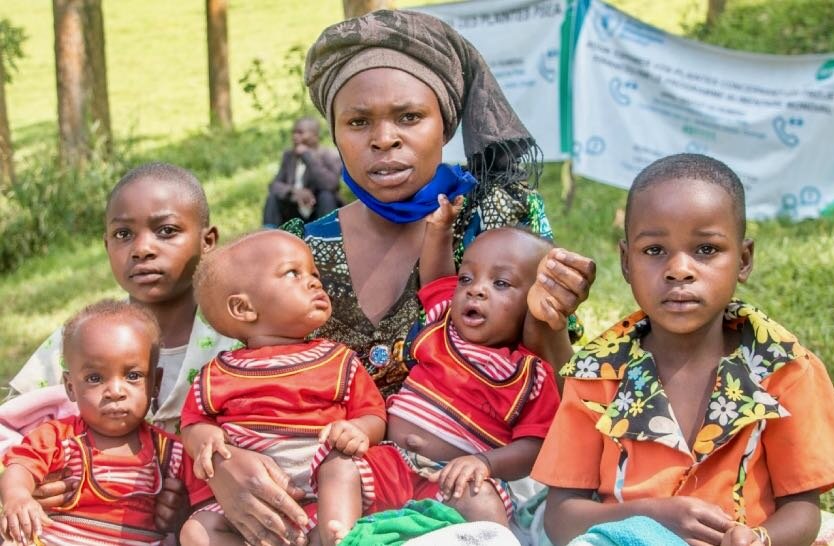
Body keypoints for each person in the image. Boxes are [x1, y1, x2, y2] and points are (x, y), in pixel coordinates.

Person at [182, 10, 596, 545]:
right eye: (358, 122)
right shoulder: (300, 251)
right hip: (333, 487)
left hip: (470, 479)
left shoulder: (495, 226)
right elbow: (235, 382)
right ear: (333, 132)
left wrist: (553, 315)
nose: (384, 140)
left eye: (408, 117)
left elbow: (552, 388)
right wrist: (223, 465)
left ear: (444, 124)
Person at [532, 154, 834, 546]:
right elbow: (561, 516)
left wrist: (760, 539)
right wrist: (650, 516)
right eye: (654, 250)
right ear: (625, 261)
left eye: (706, 249)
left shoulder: (785, 370)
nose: (680, 269)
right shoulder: (596, 375)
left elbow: (803, 510)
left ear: (744, 259)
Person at [1, 162, 236, 534]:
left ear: (207, 241)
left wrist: (193, 507)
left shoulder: (233, 344)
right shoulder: (84, 336)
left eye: (167, 231)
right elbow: (10, 425)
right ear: (106, 245)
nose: (142, 249)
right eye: (123, 234)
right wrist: (22, 488)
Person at [179, 230, 399, 546]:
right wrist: (203, 436)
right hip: (255, 505)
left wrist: (359, 429)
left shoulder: (337, 359)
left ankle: (340, 539)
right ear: (243, 309)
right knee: (197, 531)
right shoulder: (215, 375)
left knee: (339, 466)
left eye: (314, 273)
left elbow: (373, 414)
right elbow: (192, 423)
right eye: (292, 273)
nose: (314, 282)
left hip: (327, 494)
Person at [375, 195, 565, 525]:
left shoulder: (528, 374)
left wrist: (485, 463)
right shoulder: (443, 322)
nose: (475, 290)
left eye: (501, 283)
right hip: (391, 460)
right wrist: (440, 229)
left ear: (535, 302)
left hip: (455, 483)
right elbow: (436, 279)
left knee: (485, 505)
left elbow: (535, 446)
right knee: (339, 469)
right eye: (467, 278)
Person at [0, 300, 210, 546]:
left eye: (133, 376)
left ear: (156, 383)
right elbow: (20, 467)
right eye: (95, 378)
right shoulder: (58, 438)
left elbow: (206, 504)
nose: (115, 391)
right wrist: (18, 496)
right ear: (71, 387)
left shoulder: (171, 453)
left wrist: (185, 513)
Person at [262, 117, 343, 227]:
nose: (295, 137)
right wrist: (295, 192)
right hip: (295, 210)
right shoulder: (289, 156)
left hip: (318, 210)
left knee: (327, 196)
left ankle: (329, 233)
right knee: (273, 197)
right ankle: (269, 236)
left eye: (300, 133)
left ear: (315, 136)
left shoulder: (329, 155)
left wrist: (308, 157)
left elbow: (331, 185)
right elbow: (274, 185)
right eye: (294, 133)